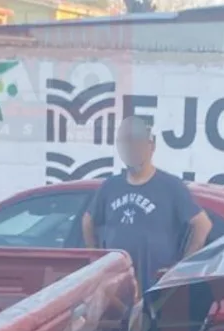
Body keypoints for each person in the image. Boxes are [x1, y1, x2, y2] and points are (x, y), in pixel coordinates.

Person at [82, 116, 212, 292]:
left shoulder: (170, 186)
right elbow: (88, 220)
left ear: (151, 146)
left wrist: (181, 269)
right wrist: (95, 259)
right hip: (115, 289)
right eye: (125, 142)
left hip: (155, 290)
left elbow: (202, 224)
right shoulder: (110, 187)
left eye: (137, 141)